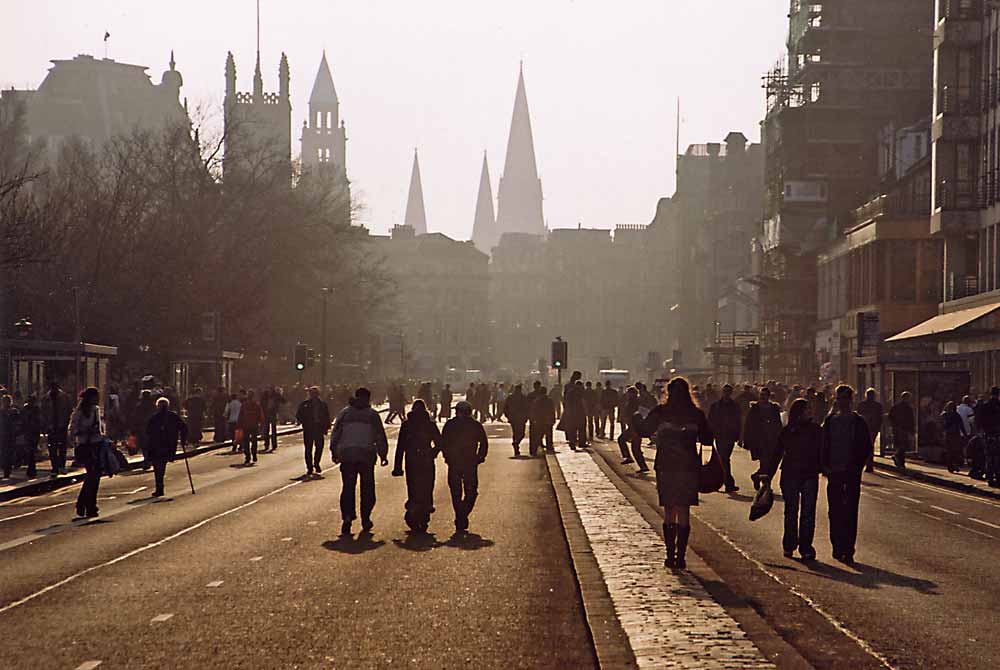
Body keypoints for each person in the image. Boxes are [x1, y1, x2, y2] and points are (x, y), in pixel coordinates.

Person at [638, 377, 713, 570]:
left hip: (666, 464)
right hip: (688, 465)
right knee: (684, 510)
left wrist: (640, 419)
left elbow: (644, 431)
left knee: (669, 509)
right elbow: (707, 438)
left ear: (668, 392)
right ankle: (681, 556)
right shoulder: (696, 413)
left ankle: (670, 554)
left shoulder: (661, 412)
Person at [820, 385, 872, 565]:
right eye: (839, 398)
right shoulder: (829, 421)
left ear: (851, 400)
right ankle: (837, 546)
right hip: (834, 472)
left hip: (851, 473)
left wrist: (858, 467)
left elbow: (866, 447)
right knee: (834, 511)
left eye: (845, 398)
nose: (842, 402)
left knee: (850, 511)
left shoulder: (859, 422)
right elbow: (823, 445)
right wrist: (824, 466)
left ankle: (848, 549)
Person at [765, 399, 821, 560]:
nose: (810, 412)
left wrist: (824, 467)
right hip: (791, 474)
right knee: (792, 511)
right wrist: (768, 473)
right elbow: (777, 453)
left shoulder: (816, 430)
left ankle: (805, 547)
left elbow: (823, 451)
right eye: (807, 409)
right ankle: (790, 544)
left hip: (808, 474)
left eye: (810, 409)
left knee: (807, 512)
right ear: (798, 412)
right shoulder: (789, 430)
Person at [329, 387, 389, 535]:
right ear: (368, 399)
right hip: (366, 455)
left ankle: (347, 517)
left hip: (347, 455)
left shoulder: (344, 413)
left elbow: (335, 433)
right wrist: (383, 454)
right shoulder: (372, 415)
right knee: (367, 489)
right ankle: (366, 517)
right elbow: (379, 436)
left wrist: (334, 452)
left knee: (348, 487)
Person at [391, 399, 442, 533]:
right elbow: (440, 442)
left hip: (411, 459)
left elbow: (400, 446)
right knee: (427, 486)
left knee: (413, 487)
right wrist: (433, 453)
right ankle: (426, 508)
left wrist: (397, 466)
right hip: (426, 458)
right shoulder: (429, 424)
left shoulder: (407, 425)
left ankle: (414, 507)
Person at [440, 401, 489, 534]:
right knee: (471, 491)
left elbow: (443, 443)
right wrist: (480, 457)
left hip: (456, 462)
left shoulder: (450, 424)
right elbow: (483, 442)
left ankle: (460, 514)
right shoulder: (474, 425)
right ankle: (462, 514)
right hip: (469, 462)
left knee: (456, 492)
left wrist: (447, 457)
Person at [69, 387, 106, 519]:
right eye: (96, 396)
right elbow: (72, 429)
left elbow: (101, 427)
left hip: (96, 444)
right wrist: (85, 431)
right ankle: (85, 504)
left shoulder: (96, 410)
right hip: (86, 446)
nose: (98, 399)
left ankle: (88, 505)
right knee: (92, 476)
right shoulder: (79, 412)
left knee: (94, 476)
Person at [145, 397, 188, 497]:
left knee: (157, 466)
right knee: (161, 465)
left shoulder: (154, 417)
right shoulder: (173, 416)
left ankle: (159, 487)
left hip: (156, 445)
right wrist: (183, 439)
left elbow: (147, 431)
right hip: (169, 445)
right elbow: (183, 428)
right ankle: (159, 487)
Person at [743, 386, 782, 489]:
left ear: (768, 396)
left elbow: (778, 424)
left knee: (769, 463)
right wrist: (745, 439)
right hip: (759, 440)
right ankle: (764, 483)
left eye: (764, 395)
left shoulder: (774, 408)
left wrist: (780, 437)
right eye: (761, 395)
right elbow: (748, 424)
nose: (762, 397)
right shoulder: (755, 408)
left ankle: (757, 477)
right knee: (765, 462)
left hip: (772, 439)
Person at [708, 384, 742, 493]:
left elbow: (738, 422)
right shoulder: (716, 406)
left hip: (730, 436)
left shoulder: (735, 406)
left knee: (724, 459)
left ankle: (721, 482)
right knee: (724, 459)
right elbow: (710, 420)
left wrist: (738, 435)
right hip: (719, 435)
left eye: (728, 391)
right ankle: (727, 483)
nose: (726, 393)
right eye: (725, 391)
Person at [296, 386, 331, 476]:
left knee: (319, 447)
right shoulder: (305, 404)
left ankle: (316, 463)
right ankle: (309, 467)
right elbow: (299, 414)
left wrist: (326, 427)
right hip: (309, 428)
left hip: (319, 428)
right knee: (308, 448)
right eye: (312, 394)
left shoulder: (323, 404)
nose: (313, 395)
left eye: (315, 394)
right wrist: (303, 421)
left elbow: (327, 416)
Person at [41, 382, 72, 477]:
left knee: (62, 447)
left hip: (61, 425)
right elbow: (43, 413)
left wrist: (66, 422)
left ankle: (61, 465)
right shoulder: (46, 398)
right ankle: (55, 467)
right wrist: (45, 425)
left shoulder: (64, 397)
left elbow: (69, 410)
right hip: (51, 426)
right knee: (52, 448)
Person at [856, 388, 883, 473]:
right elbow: (880, 417)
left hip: (867, 428)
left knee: (866, 446)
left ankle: (868, 463)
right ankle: (869, 463)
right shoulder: (877, 405)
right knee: (870, 446)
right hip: (871, 428)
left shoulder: (862, 404)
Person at [888, 392, 915, 469]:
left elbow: (890, 416)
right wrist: (911, 430)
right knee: (902, 445)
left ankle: (898, 458)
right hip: (902, 428)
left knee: (900, 444)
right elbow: (911, 420)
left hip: (898, 428)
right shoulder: (908, 408)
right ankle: (899, 459)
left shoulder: (896, 407)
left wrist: (893, 424)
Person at [131, 390, 157, 470]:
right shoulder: (153, 405)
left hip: (142, 428)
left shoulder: (139, 405)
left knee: (144, 445)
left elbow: (135, 417)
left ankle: (147, 460)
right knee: (150, 445)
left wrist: (134, 427)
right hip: (151, 428)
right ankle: (148, 460)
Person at [561, 371, 587, 450]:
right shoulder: (579, 388)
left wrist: (565, 408)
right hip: (579, 409)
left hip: (570, 410)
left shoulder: (568, 386)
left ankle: (572, 442)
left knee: (571, 427)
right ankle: (581, 442)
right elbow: (584, 397)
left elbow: (565, 398)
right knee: (581, 426)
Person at [941, 401, 968, 473]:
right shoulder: (957, 415)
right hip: (956, 435)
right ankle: (955, 465)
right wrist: (965, 434)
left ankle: (950, 466)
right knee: (956, 451)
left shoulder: (945, 415)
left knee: (949, 451)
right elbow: (961, 426)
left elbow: (942, 425)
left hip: (948, 435)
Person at [528, 386, 556, 456]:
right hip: (547, 420)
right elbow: (552, 410)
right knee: (548, 434)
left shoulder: (536, 400)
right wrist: (553, 419)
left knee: (538, 435)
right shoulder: (549, 400)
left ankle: (534, 450)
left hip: (539, 420)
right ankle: (549, 447)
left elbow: (533, 410)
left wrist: (533, 419)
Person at [503, 383, 529, 457]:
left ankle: (516, 445)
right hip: (521, 418)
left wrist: (508, 416)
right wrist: (527, 416)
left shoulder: (510, 397)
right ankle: (516, 443)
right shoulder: (523, 397)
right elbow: (527, 408)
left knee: (515, 432)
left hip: (513, 418)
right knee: (521, 433)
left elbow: (505, 407)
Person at [239, 390, 264, 464]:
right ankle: (254, 454)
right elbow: (261, 416)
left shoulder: (244, 405)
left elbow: (240, 416)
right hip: (254, 425)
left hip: (246, 425)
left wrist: (239, 425)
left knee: (246, 442)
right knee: (254, 441)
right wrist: (261, 424)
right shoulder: (257, 405)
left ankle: (247, 457)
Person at [20, 395, 41, 478]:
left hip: (33, 432)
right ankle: (31, 468)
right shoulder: (25, 409)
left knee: (31, 450)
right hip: (28, 432)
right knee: (29, 451)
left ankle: (31, 468)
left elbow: (38, 420)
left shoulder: (36, 410)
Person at [261, 386, 283, 452]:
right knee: (269, 430)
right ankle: (269, 444)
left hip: (271, 414)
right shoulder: (267, 397)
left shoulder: (274, 396)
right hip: (269, 414)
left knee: (271, 430)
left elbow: (283, 401)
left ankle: (271, 444)